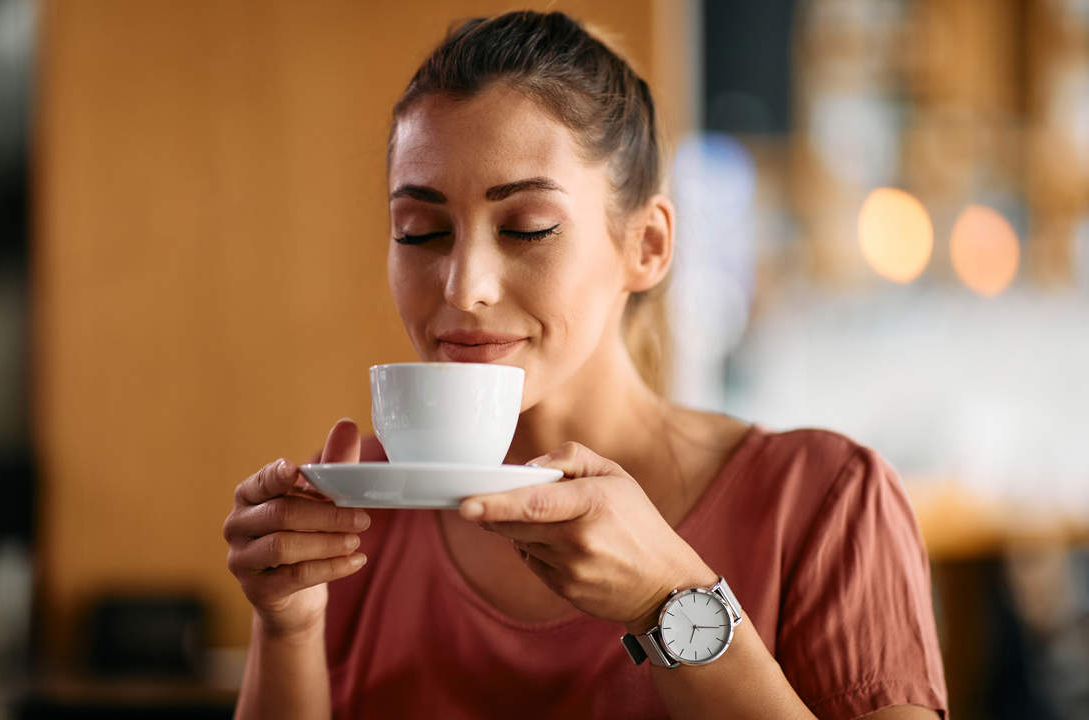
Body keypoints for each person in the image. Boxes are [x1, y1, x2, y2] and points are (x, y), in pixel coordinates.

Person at [222, 10, 948, 720]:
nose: (463, 285)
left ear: (648, 246)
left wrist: (671, 602)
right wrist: (287, 625)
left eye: (528, 228)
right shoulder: (352, 517)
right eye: (422, 232)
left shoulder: (825, 504)